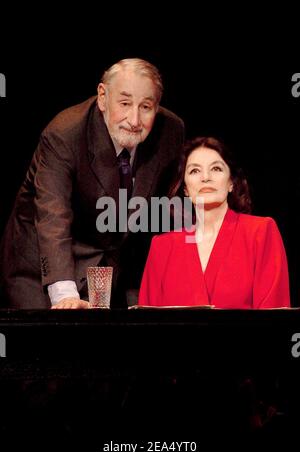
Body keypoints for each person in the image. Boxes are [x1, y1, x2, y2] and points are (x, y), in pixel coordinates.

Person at [0, 58, 185, 309]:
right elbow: (53, 215)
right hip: (43, 267)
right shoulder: (64, 134)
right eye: (124, 103)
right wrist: (65, 294)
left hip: (114, 266)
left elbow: (165, 207)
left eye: (146, 107)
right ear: (102, 96)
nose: (134, 119)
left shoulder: (171, 131)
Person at [139, 136, 290, 308]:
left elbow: (274, 316)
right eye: (194, 171)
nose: (205, 177)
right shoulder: (162, 246)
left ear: (231, 182)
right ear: (186, 189)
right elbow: (148, 321)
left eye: (216, 169)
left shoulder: (260, 232)